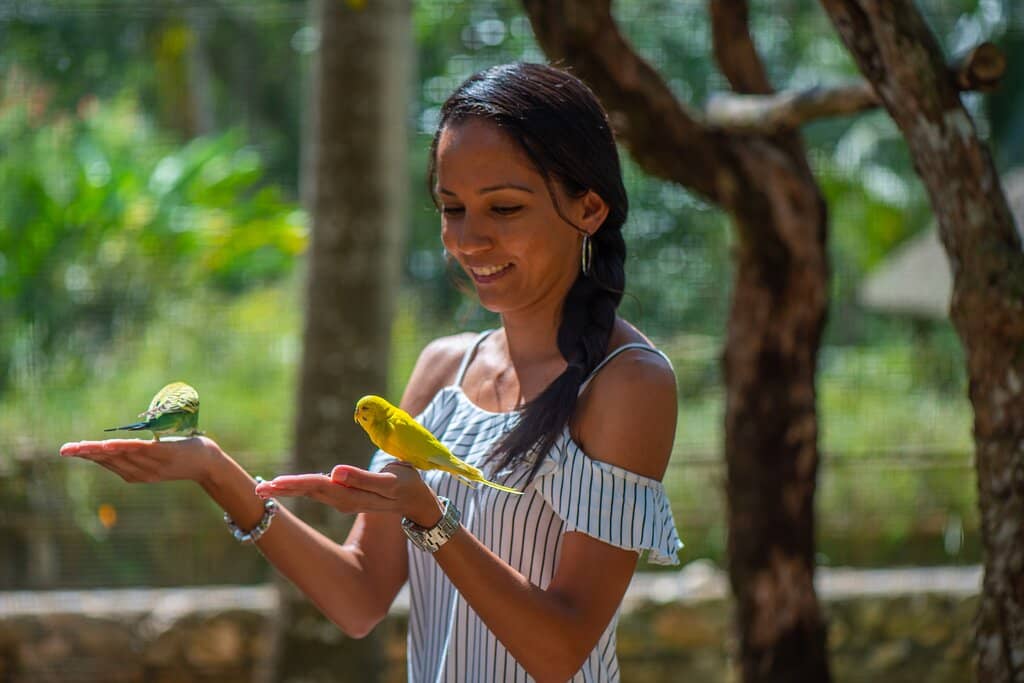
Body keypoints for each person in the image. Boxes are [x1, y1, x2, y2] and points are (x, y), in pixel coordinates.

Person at [60, 62, 682, 682]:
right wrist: (216, 472)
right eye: (452, 208)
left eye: (505, 208)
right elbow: (358, 596)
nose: (470, 239)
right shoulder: (444, 370)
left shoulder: (628, 384)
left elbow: (560, 651)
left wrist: (431, 519)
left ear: (589, 207)